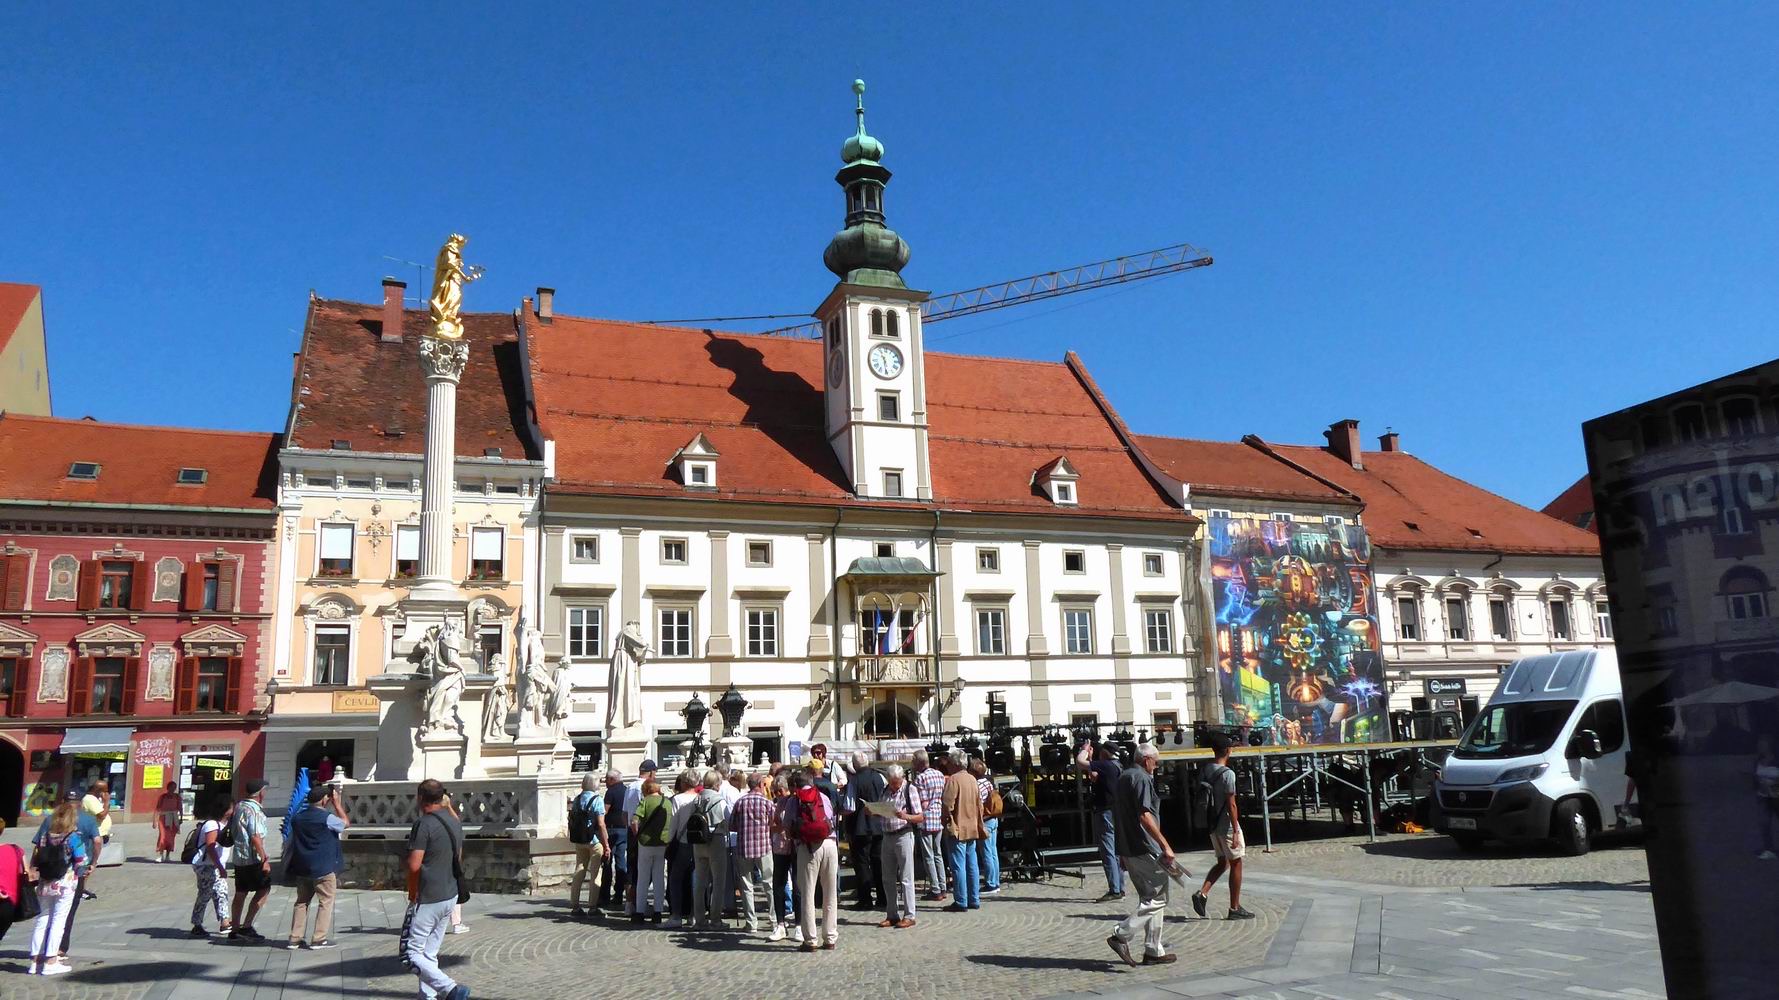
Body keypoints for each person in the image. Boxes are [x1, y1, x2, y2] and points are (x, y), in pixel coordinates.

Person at [1106, 743, 1179, 967]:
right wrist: (1165, 844)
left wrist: (1120, 850)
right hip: (1144, 847)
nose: (1156, 767)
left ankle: (1153, 950)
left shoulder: (1123, 777)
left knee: (1150, 897)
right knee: (1159, 898)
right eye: (1156, 762)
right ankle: (1121, 935)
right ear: (1146, 760)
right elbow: (1145, 815)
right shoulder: (1141, 778)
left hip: (1128, 846)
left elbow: (1117, 815)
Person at [405, 780, 469, 1000]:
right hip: (450, 893)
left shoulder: (424, 824)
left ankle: (450, 988)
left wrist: (412, 893)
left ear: (420, 797)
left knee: (412, 952)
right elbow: (458, 856)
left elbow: (414, 865)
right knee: (429, 952)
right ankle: (427, 997)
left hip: (429, 894)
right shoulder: (454, 821)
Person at [1191, 735, 1254, 920]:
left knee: (1222, 862)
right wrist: (1235, 830)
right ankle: (1234, 907)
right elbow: (1231, 804)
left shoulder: (1205, 770)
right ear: (1228, 751)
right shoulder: (1227, 774)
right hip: (1225, 824)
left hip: (1212, 824)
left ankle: (1202, 893)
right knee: (1236, 863)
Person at [36, 789, 99, 963]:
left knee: (44, 915)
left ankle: (37, 955)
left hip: (47, 872)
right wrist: (92, 863)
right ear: (80, 802)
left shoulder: (50, 819)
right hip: (72, 875)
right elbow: (96, 842)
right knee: (64, 914)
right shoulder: (86, 820)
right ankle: (58, 951)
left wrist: (35, 866)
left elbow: (38, 845)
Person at [27, 802, 89, 976]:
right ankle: (50, 961)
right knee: (58, 921)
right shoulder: (73, 837)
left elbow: (37, 854)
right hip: (65, 882)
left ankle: (34, 961)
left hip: (45, 882)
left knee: (41, 919)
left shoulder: (45, 836)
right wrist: (84, 871)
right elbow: (80, 861)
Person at [286, 783, 350, 949]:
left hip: (302, 866)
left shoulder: (297, 818)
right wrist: (337, 804)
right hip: (323, 866)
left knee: (301, 902)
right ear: (324, 800)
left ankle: (295, 938)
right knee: (325, 901)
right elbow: (345, 823)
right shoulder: (326, 818)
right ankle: (319, 938)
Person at [790, 767, 839, 951]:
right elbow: (831, 820)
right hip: (830, 844)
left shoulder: (794, 801)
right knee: (830, 893)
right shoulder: (823, 797)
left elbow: (788, 826)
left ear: (796, 786)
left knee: (808, 894)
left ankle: (810, 940)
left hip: (809, 848)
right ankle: (830, 937)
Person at [1076, 741, 1126, 901]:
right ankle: (1119, 887)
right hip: (1115, 811)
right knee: (1115, 852)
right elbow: (1095, 777)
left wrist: (1084, 751)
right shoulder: (1116, 766)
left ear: (1105, 753)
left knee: (1108, 851)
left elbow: (1080, 762)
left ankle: (1115, 890)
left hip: (1105, 812)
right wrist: (1091, 757)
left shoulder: (1106, 764)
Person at [876, 763, 923, 929]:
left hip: (903, 834)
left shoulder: (910, 790)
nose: (894, 785)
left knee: (906, 877)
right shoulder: (885, 790)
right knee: (887, 877)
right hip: (887, 835)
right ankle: (892, 914)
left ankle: (910, 915)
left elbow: (920, 816)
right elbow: (882, 809)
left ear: (901, 778)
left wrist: (905, 816)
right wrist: (874, 811)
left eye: (897, 782)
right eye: (892, 782)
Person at [228, 778, 273, 941]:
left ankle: (234, 928)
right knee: (264, 889)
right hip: (252, 858)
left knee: (240, 892)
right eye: (264, 790)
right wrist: (264, 859)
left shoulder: (239, 806)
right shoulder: (254, 811)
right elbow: (255, 837)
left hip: (239, 857)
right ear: (260, 792)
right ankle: (246, 926)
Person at [730, 771, 774, 933]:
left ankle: (751, 922)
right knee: (768, 883)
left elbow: (732, 826)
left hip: (744, 848)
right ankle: (774, 919)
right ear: (761, 785)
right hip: (764, 847)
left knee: (746, 885)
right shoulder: (767, 803)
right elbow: (774, 823)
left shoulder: (740, 802)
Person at [940, 753, 983, 912]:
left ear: (955, 764)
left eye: (950, 763)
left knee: (958, 866)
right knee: (972, 865)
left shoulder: (954, 779)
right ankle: (974, 898)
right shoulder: (972, 779)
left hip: (958, 828)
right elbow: (979, 804)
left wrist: (945, 820)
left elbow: (947, 804)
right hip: (971, 827)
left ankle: (961, 901)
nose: (948, 766)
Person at [690, 768, 732, 929]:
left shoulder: (696, 799)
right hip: (716, 840)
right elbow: (728, 821)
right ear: (717, 784)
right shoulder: (719, 801)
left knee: (700, 882)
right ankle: (715, 919)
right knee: (718, 881)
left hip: (698, 841)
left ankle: (699, 919)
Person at [845, 751, 886, 910]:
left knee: (862, 864)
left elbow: (849, 806)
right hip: (879, 825)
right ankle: (883, 897)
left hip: (860, 827)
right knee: (879, 863)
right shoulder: (880, 777)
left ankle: (865, 899)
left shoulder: (854, 781)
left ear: (855, 765)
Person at [567, 775, 609, 918]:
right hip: (594, 840)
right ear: (595, 785)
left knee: (579, 869)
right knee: (596, 873)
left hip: (580, 839)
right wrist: (606, 844)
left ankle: (575, 905)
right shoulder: (597, 800)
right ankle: (592, 906)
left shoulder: (577, 799)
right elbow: (601, 824)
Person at [189, 800, 233, 938]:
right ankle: (224, 922)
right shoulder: (212, 824)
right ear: (225, 810)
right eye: (232, 807)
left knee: (206, 893)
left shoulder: (223, 824)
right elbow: (210, 846)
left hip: (211, 864)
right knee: (221, 891)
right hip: (207, 865)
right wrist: (220, 867)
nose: (233, 810)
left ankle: (197, 924)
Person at [767, 772, 801, 943]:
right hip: (780, 847)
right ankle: (780, 924)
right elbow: (772, 825)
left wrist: (784, 827)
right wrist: (780, 826)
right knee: (778, 884)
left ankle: (799, 925)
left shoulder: (796, 801)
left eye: (778, 791)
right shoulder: (779, 804)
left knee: (798, 885)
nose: (777, 795)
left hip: (795, 846)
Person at [632, 778, 672, 924]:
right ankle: (658, 912)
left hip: (646, 842)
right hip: (662, 843)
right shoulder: (667, 802)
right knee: (659, 877)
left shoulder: (645, 801)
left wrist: (637, 834)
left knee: (643, 877)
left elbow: (634, 821)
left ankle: (640, 911)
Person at [911, 751, 949, 902]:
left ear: (919, 763)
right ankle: (943, 886)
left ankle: (935, 889)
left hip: (926, 818)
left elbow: (923, 802)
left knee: (929, 856)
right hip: (938, 817)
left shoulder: (920, 778)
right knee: (938, 854)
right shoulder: (939, 775)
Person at [665, 770, 700, 927]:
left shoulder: (678, 799)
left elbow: (673, 824)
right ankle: (694, 914)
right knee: (695, 878)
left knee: (675, 878)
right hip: (699, 842)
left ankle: (676, 915)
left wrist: (668, 841)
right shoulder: (700, 798)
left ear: (684, 783)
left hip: (683, 842)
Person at [623, 759, 658, 917]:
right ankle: (639, 902)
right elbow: (644, 812)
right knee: (645, 870)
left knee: (631, 868)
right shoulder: (644, 788)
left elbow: (624, 814)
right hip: (642, 832)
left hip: (630, 831)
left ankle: (629, 903)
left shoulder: (629, 786)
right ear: (651, 773)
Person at [600, 769, 630, 911]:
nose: (605, 782)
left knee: (607, 860)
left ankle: (604, 894)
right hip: (624, 829)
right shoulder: (627, 790)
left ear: (612, 779)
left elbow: (605, 810)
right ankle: (619, 893)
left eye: (606, 779)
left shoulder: (610, 792)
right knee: (621, 862)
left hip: (611, 829)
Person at [972, 758, 1002, 897]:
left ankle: (990, 883)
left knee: (987, 853)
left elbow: (977, 804)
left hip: (985, 820)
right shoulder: (988, 782)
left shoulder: (977, 785)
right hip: (994, 819)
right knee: (993, 852)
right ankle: (995, 881)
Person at [78, 781, 110, 899]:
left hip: (99, 833)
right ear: (99, 791)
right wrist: (107, 802)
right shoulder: (89, 799)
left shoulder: (94, 799)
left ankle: (81, 887)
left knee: (89, 862)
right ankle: (79, 889)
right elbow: (101, 815)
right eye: (105, 791)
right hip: (93, 835)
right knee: (89, 862)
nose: (107, 793)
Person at [1756, 735, 1779, 860]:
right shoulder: (1758, 760)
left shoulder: (1777, 759)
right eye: (1759, 745)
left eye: (1763, 745)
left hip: (1777, 795)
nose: (1761, 747)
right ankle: (1769, 849)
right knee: (1764, 823)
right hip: (1763, 797)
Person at [153, 783, 183, 863]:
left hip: (174, 818)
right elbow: (157, 809)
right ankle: (160, 854)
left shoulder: (177, 797)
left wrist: (181, 818)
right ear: (168, 788)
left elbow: (180, 808)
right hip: (163, 818)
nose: (173, 789)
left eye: (174, 787)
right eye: (171, 787)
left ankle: (167, 855)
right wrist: (154, 821)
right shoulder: (162, 797)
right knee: (163, 836)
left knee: (171, 838)